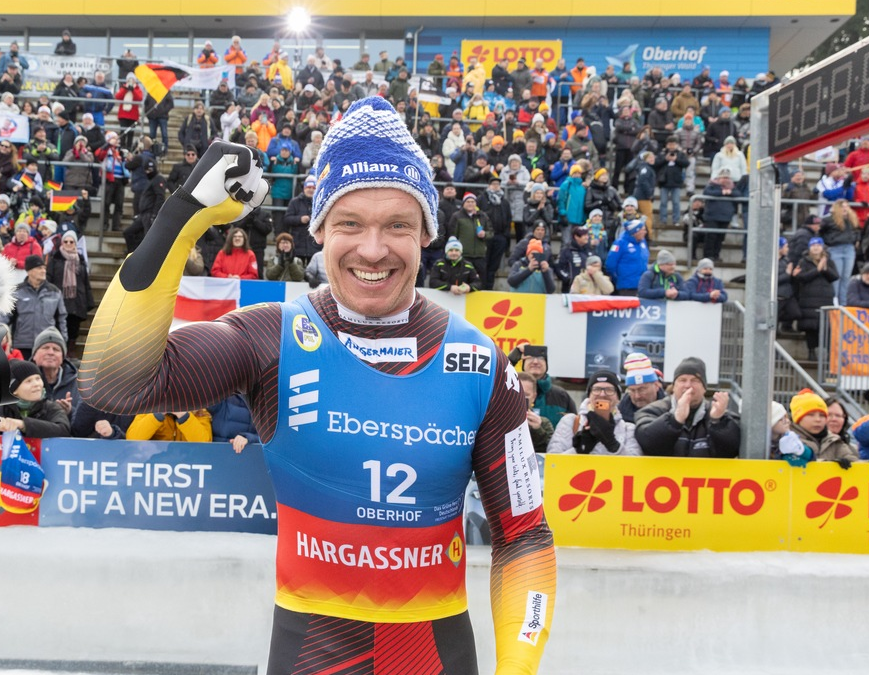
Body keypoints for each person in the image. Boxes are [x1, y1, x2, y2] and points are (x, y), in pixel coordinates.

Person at [79, 98, 554, 673]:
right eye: (350, 223)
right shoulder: (270, 339)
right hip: (311, 651)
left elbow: (525, 535)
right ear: (319, 230)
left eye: (398, 225)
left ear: (427, 234)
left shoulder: (478, 361)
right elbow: (112, 382)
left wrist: (520, 667)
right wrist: (183, 217)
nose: (373, 250)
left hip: (434, 654)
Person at [635, 357, 740, 458]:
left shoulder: (717, 412)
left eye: (695, 380)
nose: (688, 385)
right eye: (682, 380)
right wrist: (674, 420)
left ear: (704, 388)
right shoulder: (652, 411)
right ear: (674, 387)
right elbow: (647, 443)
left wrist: (718, 422)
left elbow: (731, 450)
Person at [548, 370, 641, 455]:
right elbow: (552, 463)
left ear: (618, 397)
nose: (602, 394)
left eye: (609, 390)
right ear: (589, 395)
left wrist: (613, 445)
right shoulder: (570, 422)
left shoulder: (628, 429)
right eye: (597, 389)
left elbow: (638, 467)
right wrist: (579, 450)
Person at [0, 360, 70, 438]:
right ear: (14, 390)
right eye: (28, 381)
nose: (36, 384)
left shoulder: (51, 407)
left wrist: (23, 424)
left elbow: (63, 430)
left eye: (38, 378)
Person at [9, 255, 67, 360]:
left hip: (46, 344)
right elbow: (6, 317)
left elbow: (61, 319)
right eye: (39, 268)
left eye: (44, 268)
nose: (43, 271)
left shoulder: (55, 292)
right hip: (22, 345)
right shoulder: (16, 291)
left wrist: (63, 341)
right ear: (29, 271)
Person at [45, 231, 93, 353]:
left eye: (71, 242)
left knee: (73, 329)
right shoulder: (54, 259)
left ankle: (70, 352)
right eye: (66, 241)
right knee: (59, 326)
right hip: (60, 298)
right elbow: (48, 279)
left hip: (77, 300)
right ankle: (60, 351)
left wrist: (89, 301)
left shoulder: (81, 261)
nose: (68, 244)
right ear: (62, 242)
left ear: (75, 244)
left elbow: (85, 282)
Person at [785, 388, 859, 468]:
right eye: (811, 415)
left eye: (822, 415)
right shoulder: (789, 441)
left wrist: (848, 462)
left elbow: (854, 462)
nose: (818, 419)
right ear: (797, 419)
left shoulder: (835, 441)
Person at [793, 237, 838, 361]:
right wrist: (817, 271)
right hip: (809, 300)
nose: (816, 247)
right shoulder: (803, 261)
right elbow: (801, 277)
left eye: (818, 245)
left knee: (826, 328)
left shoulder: (828, 261)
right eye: (813, 245)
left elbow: (835, 276)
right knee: (810, 327)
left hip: (825, 298)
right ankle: (811, 351)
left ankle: (828, 354)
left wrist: (825, 269)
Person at [606, 219, 650, 296]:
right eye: (643, 230)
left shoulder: (643, 242)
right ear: (635, 231)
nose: (645, 232)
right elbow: (610, 264)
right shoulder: (620, 243)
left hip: (642, 286)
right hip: (627, 286)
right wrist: (619, 278)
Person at [618, 352, 664, 424]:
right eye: (632, 390)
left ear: (656, 386)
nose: (637, 396)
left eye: (642, 389)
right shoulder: (618, 416)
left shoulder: (671, 410)